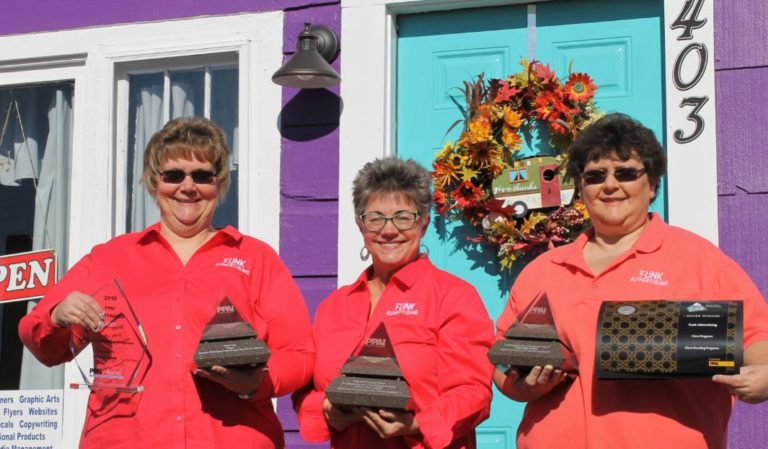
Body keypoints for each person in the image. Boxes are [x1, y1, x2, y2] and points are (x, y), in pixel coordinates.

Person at [19, 117, 315, 449]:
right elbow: (43, 343)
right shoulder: (110, 259)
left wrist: (255, 382)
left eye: (202, 176)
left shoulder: (255, 259)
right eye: (173, 175)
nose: (187, 187)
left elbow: (299, 354)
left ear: (219, 184)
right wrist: (58, 315)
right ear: (153, 182)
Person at [492, 112, 768, 449]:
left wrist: (763, 374)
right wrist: (526, 385)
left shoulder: (698, 259)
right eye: (595, 176)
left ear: (651, 185)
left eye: (626, 173)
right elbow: (505, 365)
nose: (610, 185)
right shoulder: (543, 270)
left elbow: (756, 336)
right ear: (581, 188)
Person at [293, 156, 494, 449]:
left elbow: (472, 391)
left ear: (424, 223)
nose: (389, 230)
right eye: (375, 217)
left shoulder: (452, 297)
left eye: (403, 217)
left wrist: (416, 424)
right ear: (360, 224)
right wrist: (325, 409)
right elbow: (306, 390)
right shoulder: (334, 306)